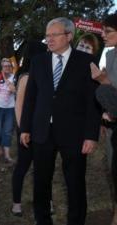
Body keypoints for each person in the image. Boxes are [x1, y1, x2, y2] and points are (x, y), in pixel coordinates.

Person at [20, 17, 101, 225]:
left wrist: (91, 135)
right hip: (41, 131)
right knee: (41, 182)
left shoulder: (85, 62)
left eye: (54, 35)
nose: (49, 40)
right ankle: (43, 220)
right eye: (47, 36)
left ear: (69, 36)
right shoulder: (39, 61)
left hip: (73, 133)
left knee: (75, 183)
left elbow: (92, 102)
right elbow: (30, 98)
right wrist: (25, 128)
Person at [11, 40, 50, 217]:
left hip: (41, 130)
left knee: (44, 169)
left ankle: (46, 202)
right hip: (27, 132)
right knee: (23, 167)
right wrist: (22, 132)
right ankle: (16, 204)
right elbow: (19, 107)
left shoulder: (40, 74)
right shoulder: (26, 76)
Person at [90, 13, 117, 225]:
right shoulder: (109, 55)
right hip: (112, 124)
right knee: (113, 168)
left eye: (108, 32)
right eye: (103, 31)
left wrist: (102, 80)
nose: (103, 35)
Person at [0, 58, 16, 162]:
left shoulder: (14, 77)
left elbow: (13, 89)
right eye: (5, 66)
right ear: (2, 67)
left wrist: (5, 78)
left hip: (9, 109)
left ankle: (7, 155)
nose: (7, 68)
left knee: (7, 131)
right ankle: (0, 149)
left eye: (9, 66)